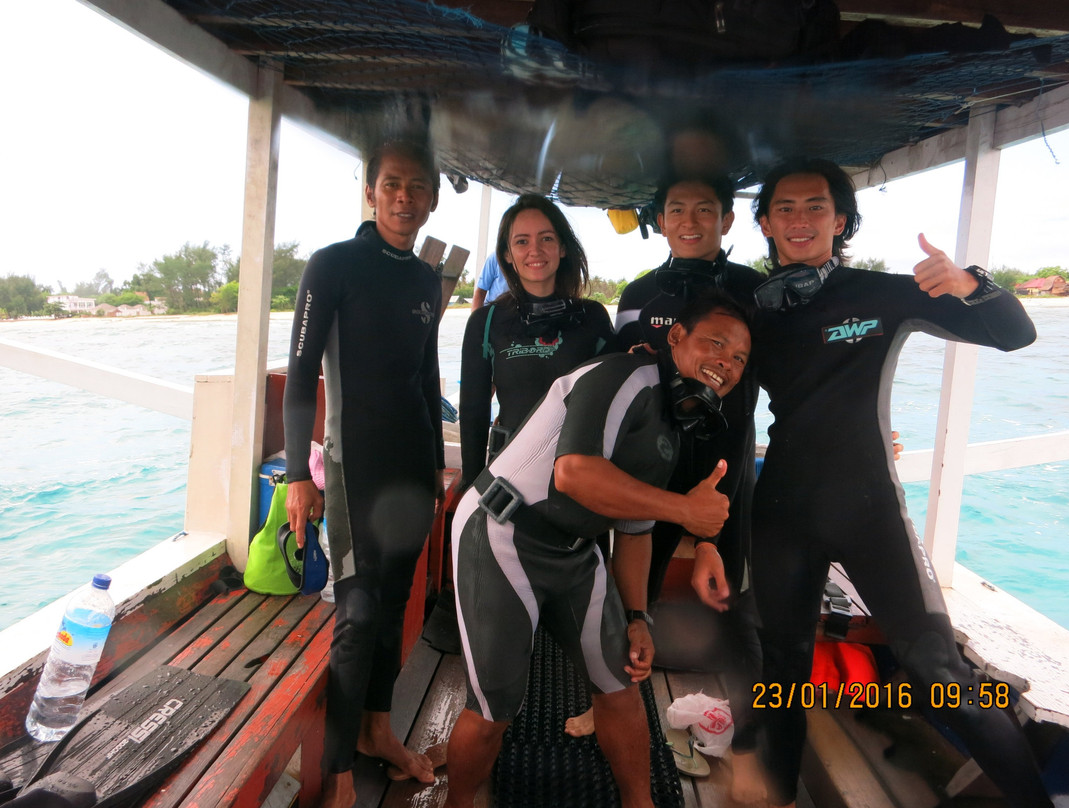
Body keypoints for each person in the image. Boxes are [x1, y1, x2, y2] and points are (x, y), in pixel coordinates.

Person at [748, 157, 1051, 808]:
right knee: (780, 672)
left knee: (942, 674)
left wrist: (973, 283)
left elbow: (1016, 334)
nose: (800, 219)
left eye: (816, 207)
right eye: (786, 208)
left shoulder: (880, 294)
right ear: (767, 222)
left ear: (841, 220)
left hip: (867, 511)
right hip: (780, 512)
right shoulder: (752, 309)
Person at [446, 293, 751, 808]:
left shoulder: (671, 430)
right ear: (675, 337)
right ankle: (456, 803)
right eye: (715, 344)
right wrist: (685, 511)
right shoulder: (623, 376)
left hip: (576, 550)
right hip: (501, 533)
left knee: (620, 684)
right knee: (495, 706)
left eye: (740, 358)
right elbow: (575, 473)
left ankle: (640, 803)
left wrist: (637, 616)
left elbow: (633, 530)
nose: (726, 362)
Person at [282, 140, 446, 808]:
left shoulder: (426, 279)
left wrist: (436, 465)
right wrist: (298, 474)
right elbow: (298, 377)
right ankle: (339, 774)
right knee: (355, 613)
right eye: (392, 185)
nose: (404, 198)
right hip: (353, 468)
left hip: (411, 469)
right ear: (371, 192)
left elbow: (428, 377)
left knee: (395, 603)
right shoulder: (333, 266)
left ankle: (378, 730)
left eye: (417, 188)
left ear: (432, 198)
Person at [609, 174, 768, 801]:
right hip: (652, 472)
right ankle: (615, 706)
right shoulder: (640, 292)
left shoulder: (754, 290)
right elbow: (619, 379)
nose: (691, 219)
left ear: (727, 220)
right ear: (661, 220)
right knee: (630, 602)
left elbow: (790, 374)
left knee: (733, 611)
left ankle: (752, 748)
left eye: (706, 209)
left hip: (725, 470)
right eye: (677, 209)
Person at [458, 194, 614, 490]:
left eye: (546, 238)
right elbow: (473, 410)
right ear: (506, 254)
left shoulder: (592, 317)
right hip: (508, 476)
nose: (535, 251)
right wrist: (471, 483)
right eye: (522, 242)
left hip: (578, 476)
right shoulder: (486, 321)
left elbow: (618, 402)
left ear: (563, 247)